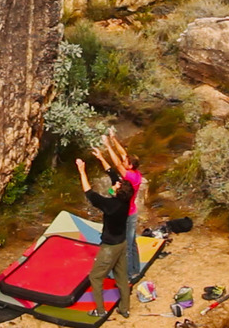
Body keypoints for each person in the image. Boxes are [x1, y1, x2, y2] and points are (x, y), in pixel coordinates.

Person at [76, 156, 133, 319]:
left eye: (115, 186)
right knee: (121, 277)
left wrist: (82, 171)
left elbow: (89, 193)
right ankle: (125, 309)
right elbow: (113, 175)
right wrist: (101, 158)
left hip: (110, 247)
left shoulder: (110, 206)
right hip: (122, 242)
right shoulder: (126, 198)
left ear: (117, 192)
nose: (114, 184)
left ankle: (100, 311)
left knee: (95, 277)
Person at [96, 128, 142, 282]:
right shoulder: (136, 173)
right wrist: (113, 138)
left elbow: (117, 163)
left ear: (130, 166)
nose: (123, 162)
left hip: (127, 215)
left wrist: (107, 145)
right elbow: (123, 154)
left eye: (126, 162)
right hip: (132, 212)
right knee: (132, 242)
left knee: (126, 245)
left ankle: (127, 276)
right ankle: (135, 269)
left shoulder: (131, 177)